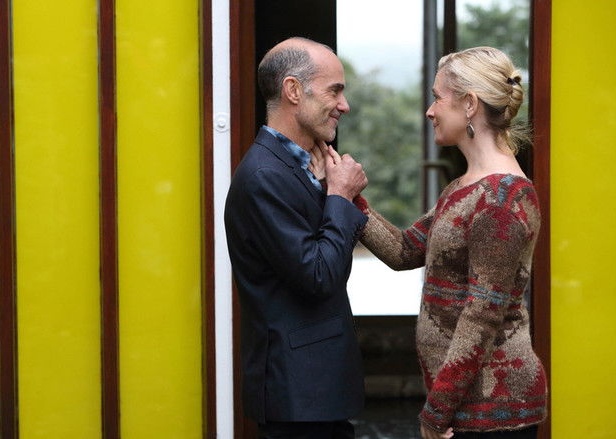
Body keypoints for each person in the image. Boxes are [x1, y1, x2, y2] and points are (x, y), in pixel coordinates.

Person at [314, 46, 547, 439]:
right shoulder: (464, 188)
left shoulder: (502, 199)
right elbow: (404, 251)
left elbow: (482, 315)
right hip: (468, 408)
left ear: (469, 104)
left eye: (438, 97)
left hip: (493, 413)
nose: (430, 110)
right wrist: (346, 195)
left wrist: (436, 412)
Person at [224, 37, 369, 439]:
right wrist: (339, 196)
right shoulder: (264, 176)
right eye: (334, 91)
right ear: (292, 90)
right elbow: (318, 275)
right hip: (298, 397)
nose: (344, 105)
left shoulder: (297, 166)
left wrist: (328, 192)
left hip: (313, 394)